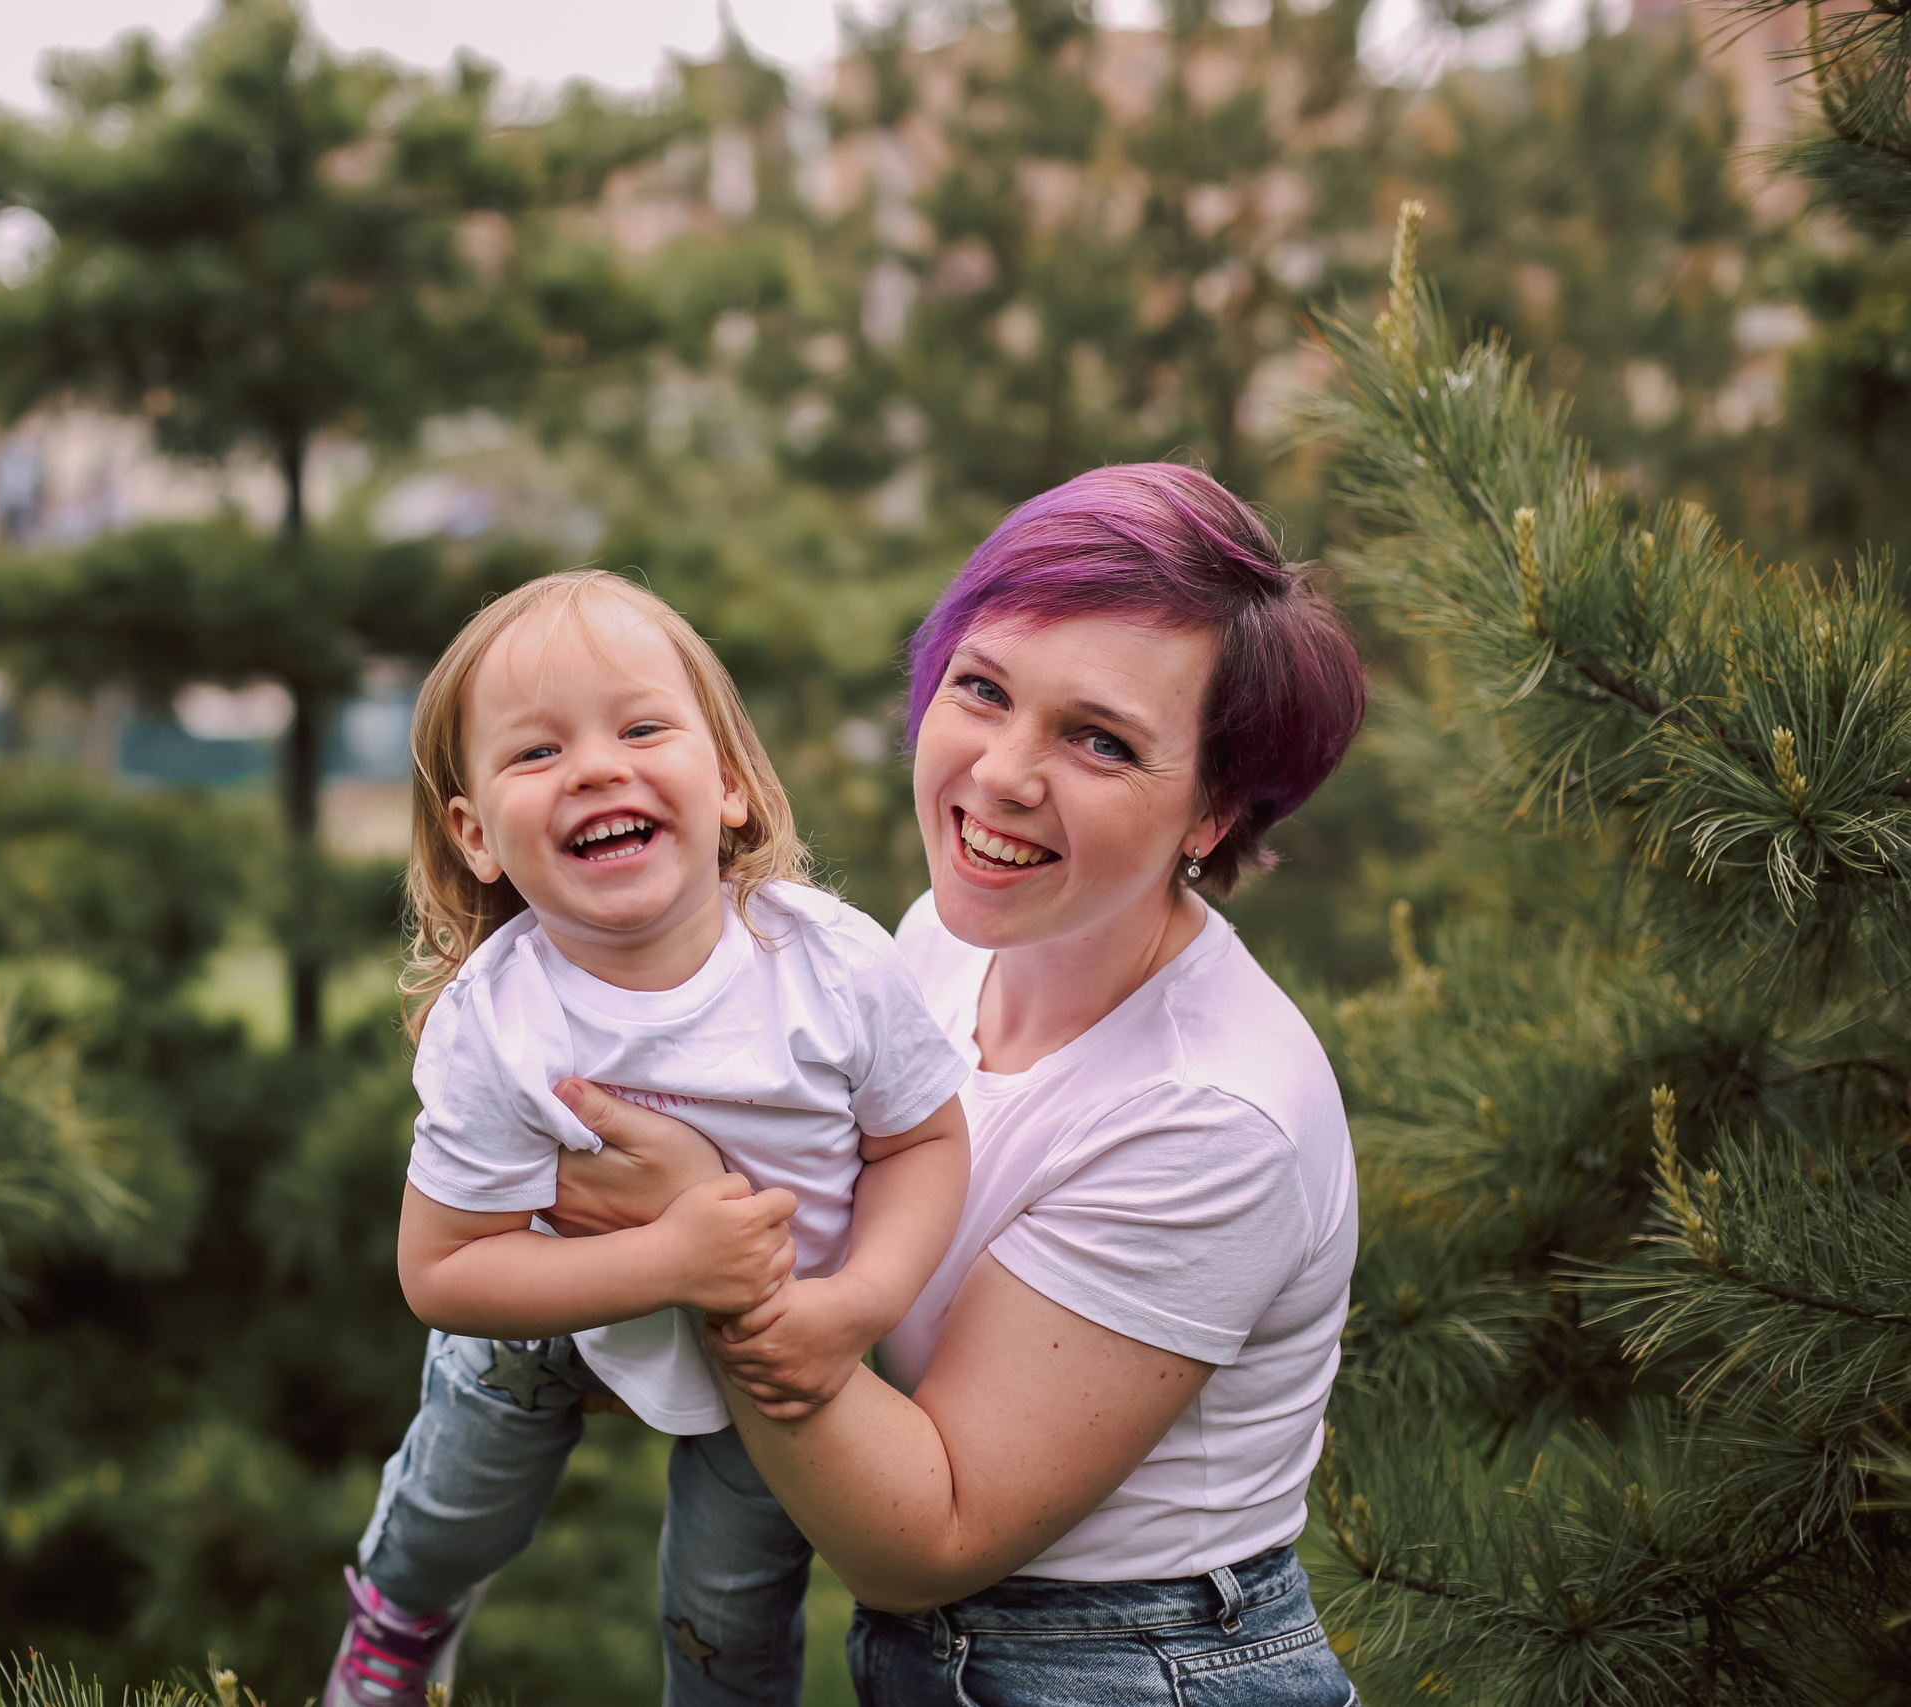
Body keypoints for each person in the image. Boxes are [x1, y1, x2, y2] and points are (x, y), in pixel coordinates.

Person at [551, 464, 1369, 1705]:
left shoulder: (1210, 1114)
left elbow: (921, 1537)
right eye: (981, 689)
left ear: (1211, 811)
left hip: (1132, 1669)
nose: (999, 775)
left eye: (1098, 740)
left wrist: (695, 1242)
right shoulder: (944, 939)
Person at [325, 571, 973, 1707]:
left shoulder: (825, 966)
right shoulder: (501, 1020)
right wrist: (666, 1262)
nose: (593, 767)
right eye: (534, 754)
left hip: (775, 1332)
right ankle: (397, 1611)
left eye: (639, 728)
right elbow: (442, 1269)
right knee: (456, 1504)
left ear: (725, 783)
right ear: (476, 836)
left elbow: (922, 1144)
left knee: (724, 1616)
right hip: (553, 1298)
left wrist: (857, 1306)